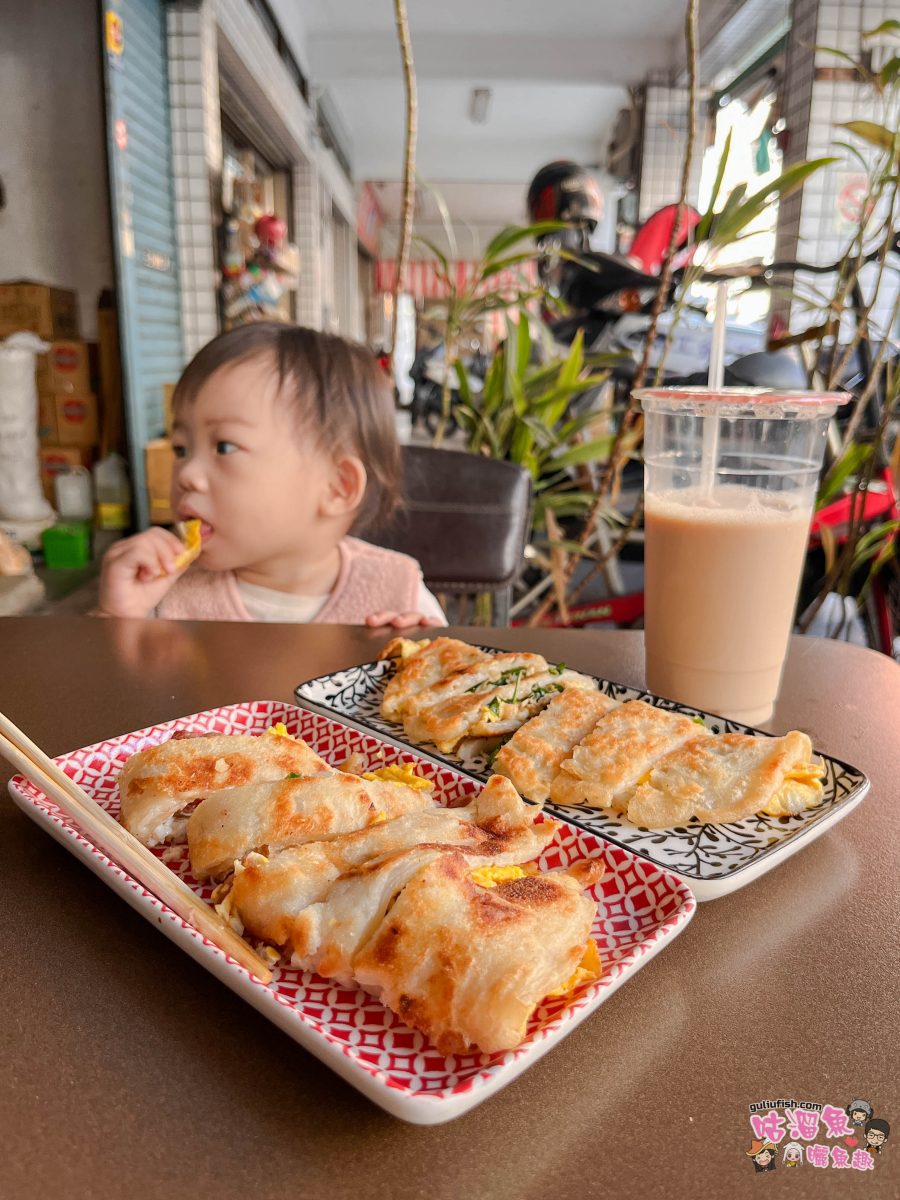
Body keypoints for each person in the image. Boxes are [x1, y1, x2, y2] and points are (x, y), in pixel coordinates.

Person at [97, 323, 446, 627]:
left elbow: (458, 692)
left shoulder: (399, 595)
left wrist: (426, 657)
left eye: (224, 447)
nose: (186, 474)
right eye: (181, 449)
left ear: (338, 487)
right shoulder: (161, 592)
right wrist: (117, 620)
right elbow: (106, 699)